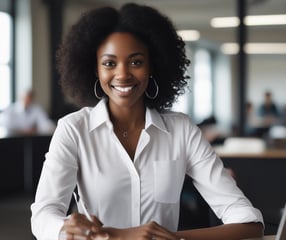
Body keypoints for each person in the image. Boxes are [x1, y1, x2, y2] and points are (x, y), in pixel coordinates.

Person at [31, 3, 264, 240]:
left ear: (153, 66)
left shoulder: (181, 130)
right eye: (109, 63)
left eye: (136, 62)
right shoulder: (74, 129)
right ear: (95, 70)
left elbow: (248, 222)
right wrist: (70, 230)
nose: (122, 74)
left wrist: (169, 238)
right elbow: (43, 216)